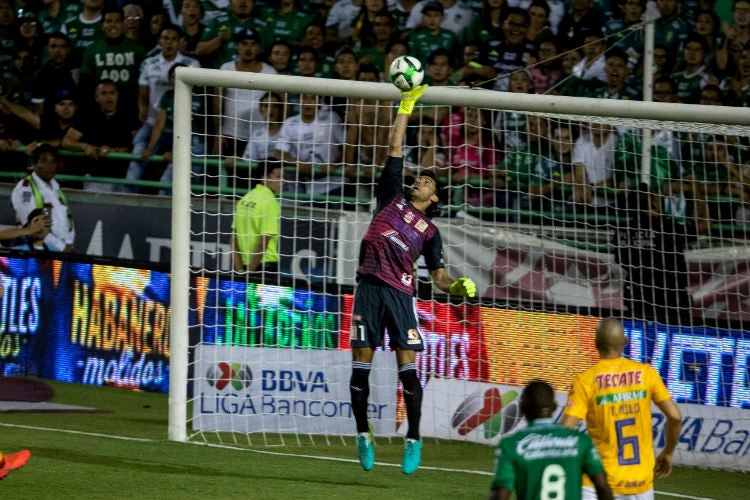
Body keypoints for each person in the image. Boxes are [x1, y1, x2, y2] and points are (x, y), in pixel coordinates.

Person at [349, 84, 476, 475]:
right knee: (360, 370)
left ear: (435, 198)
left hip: (401, 297)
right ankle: (363, 434)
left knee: (408, 371)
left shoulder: (430, 232)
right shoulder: (392, 196)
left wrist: (456, 286)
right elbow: (394, 148)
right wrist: (406, 105)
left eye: (427, 182)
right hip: (368, 289)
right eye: (418, 178)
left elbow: (437, 276)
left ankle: (414, 438)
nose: (419, 180)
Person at [560, 317, 682, 499]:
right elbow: (675, 416)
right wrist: (668, 452)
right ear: (625, 342)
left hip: (597, 483)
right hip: (640, 486)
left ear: (595, 343)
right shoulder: (646, 373)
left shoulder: (585, 381)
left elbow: (563, 431)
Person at [488, 380, 613, 500]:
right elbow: (602, 487)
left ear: (523, 408)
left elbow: (500, 495)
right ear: (554, 407)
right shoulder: (580, 441)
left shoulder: (511, 445)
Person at [11, 144, 74, 253]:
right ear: (34, 164)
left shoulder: (55, 187)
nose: (49, 165)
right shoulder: (26, 188)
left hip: (62, 250)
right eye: (44, 161)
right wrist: (61, 246)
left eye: (53, 161)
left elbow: (66, 220)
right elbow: (30, 224)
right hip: (37, 250)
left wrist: (68, 243)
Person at [231, 159, 283, 274]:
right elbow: (262, 242)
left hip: (244, 265)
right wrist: (250, 273)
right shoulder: (270, 202)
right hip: (265, 266)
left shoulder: (244, 199)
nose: (282, 181)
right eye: (278, 177)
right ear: (264, 177)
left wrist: (240, 270)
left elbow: (233, 240)